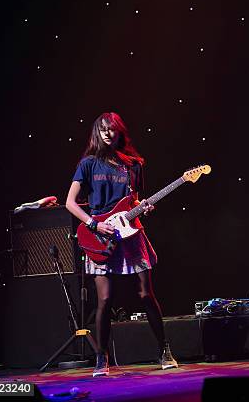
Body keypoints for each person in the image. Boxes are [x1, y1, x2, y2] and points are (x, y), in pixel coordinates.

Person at [66, 112, 178, 377]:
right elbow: (70, 202)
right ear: (97, 133)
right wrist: (93, 224)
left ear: (119, 133)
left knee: (145, 294)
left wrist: (144, 208)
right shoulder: (88, 164)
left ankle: (164, 350)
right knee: (104, 299)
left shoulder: (133, 164)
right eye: (102, 130)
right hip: (99, 234)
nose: (107, 134)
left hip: (130, 232)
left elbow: (135, 201)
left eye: (111, 130)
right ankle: (101, 358)